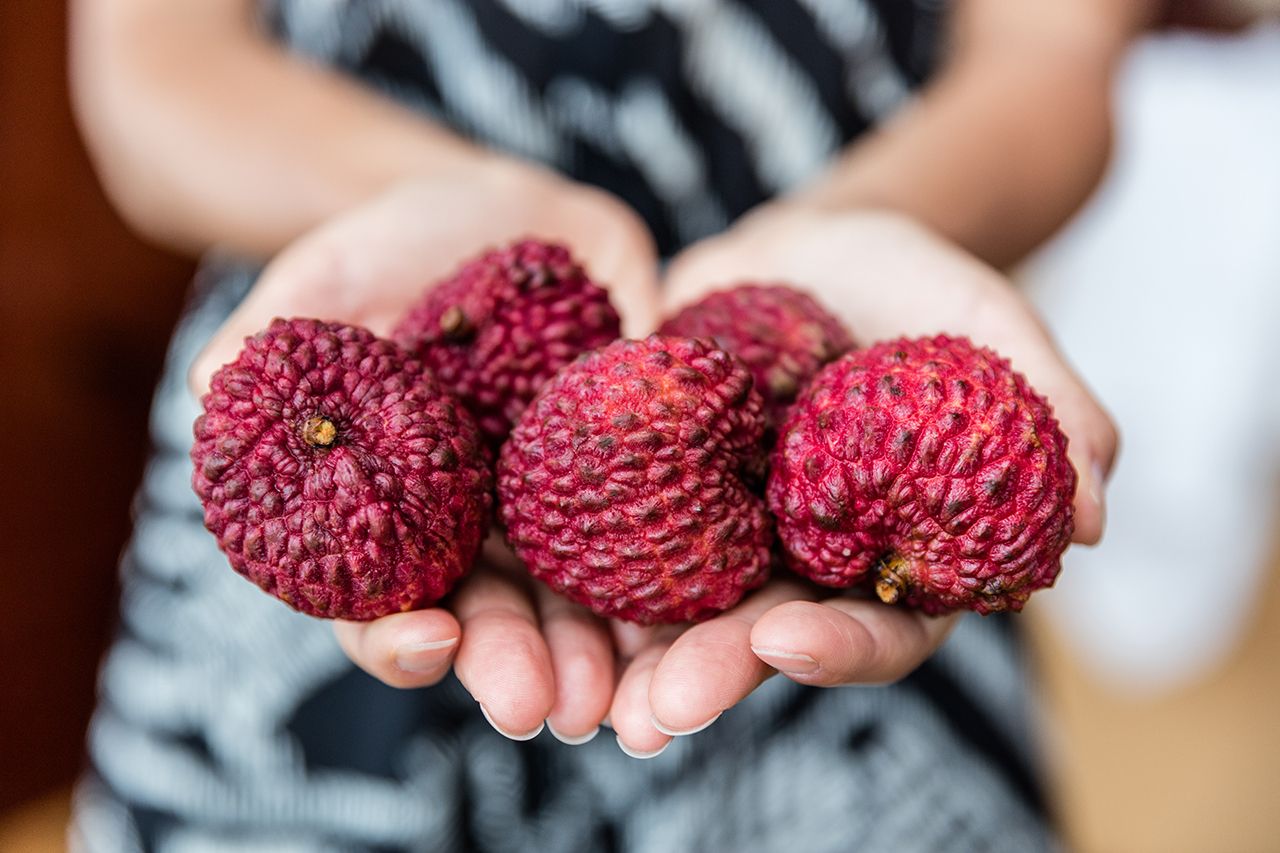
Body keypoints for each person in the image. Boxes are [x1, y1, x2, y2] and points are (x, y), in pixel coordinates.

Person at [69, 1, 1137, 850]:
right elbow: (147, 70)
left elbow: (1050, 54)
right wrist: (439, 191)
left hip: (855, 425)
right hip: (368, 358)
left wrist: (863, 224)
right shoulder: (384, 408)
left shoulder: (829, 457)